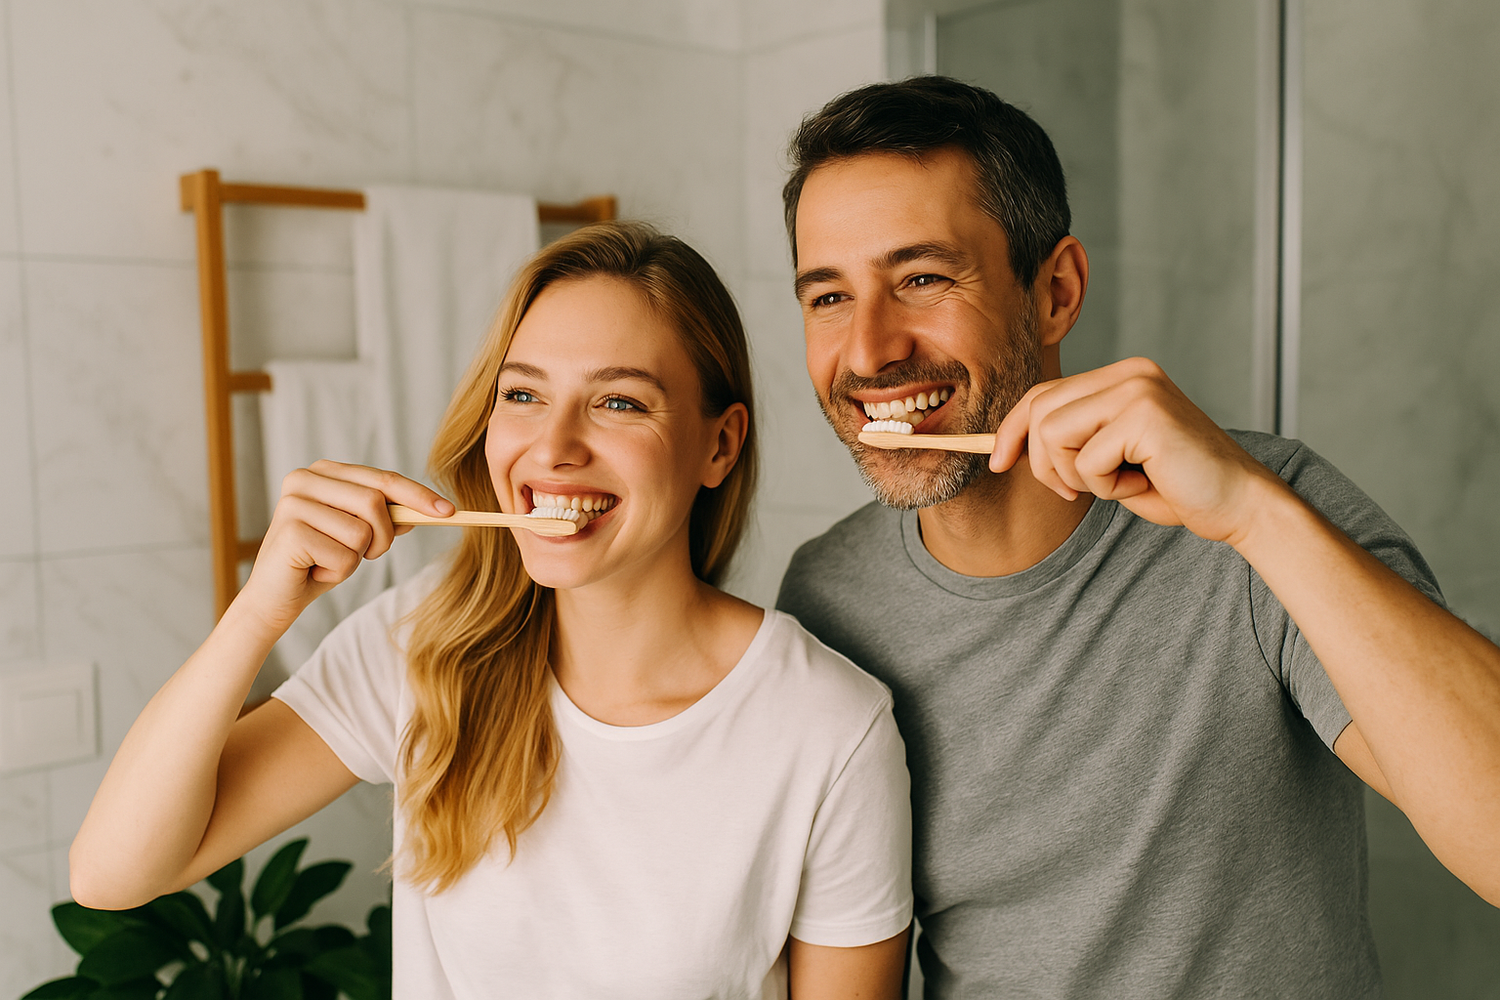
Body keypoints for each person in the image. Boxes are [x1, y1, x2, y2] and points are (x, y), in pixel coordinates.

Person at [774, 77, 1500, 998]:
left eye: (922, 278)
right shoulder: (824, 598)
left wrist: (1251, 513)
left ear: (1056, 292)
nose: (870, 350)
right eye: (828, 297)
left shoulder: (1268, 516)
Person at [69, 222, 913, 998]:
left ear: (718, 445)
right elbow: (114, 873)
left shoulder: (828, 729)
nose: (552, 448)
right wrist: (261, 608)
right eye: (523, 395)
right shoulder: (427, 643)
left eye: (619, 401)